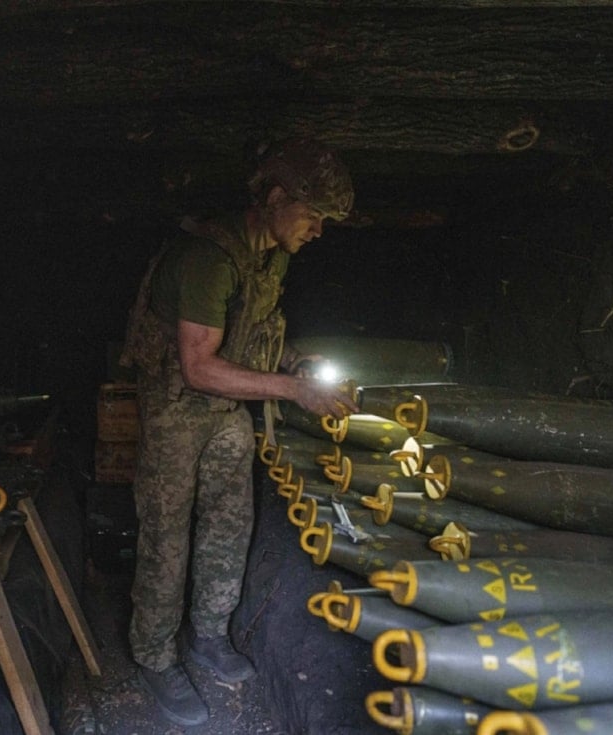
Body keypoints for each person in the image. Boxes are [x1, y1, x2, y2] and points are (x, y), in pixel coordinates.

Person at [118, 137, 359, 726]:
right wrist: (295, 392)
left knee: (229, 528)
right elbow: (199, 367)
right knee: (166, 537)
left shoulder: (269, 258)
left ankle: (209, 637)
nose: (318, 232)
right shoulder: (207, 259)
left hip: (228, 411)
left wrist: (294, 364)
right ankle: (154, 655)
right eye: (314, 215)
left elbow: (251, 338)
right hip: (179, 410)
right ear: (276, 198)